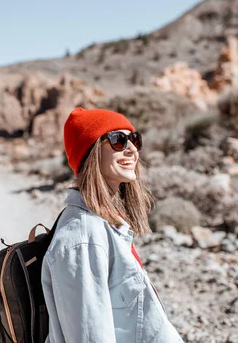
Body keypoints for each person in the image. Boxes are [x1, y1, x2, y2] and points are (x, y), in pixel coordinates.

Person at [41, 107, 184, 342]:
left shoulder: (106, 224)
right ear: (91, 153)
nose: (131, 149)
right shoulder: (84, 238)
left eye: (134, 139)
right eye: (118, 140)